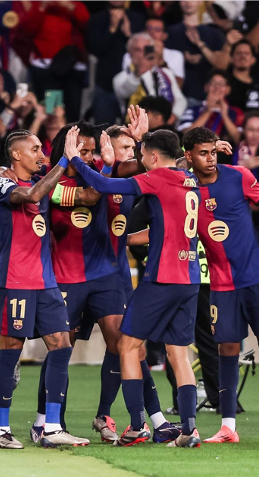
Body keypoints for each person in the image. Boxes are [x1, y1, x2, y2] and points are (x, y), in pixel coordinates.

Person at [68, 129, 203, 448]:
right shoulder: (190, 180)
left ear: (154, 157)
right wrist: (125, 239)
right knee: (179, 355)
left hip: (162, 279)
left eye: (142, 154)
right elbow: (163, 227)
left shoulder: (158, 178)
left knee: (127, 346)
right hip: (190, 278)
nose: (140, 160)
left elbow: (104, 185)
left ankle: (138, 425)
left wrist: (75, 159)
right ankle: (188, 430)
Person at [177, 127, 259, 444]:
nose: (211, 159)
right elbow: (166, 168)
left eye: (213, 152)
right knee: (227, 349)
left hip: (256, 276)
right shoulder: (185, 187)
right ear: (189, 155)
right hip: (221, 283)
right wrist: (188, 161)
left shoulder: (238, 176)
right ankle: (228, 427)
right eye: (203, 153)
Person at [0, 128, 80, 449]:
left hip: (45, 282)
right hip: (15, 280)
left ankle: (51, 428)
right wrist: (64, 160)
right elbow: (29, 196)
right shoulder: (3, 183)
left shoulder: (42, 182)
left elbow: (57, 189)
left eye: (43, 148)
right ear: (16, 154)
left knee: (62, 346)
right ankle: (2, 431)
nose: (42, 154)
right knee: (11, 352)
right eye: (35, 149)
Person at [16, 0, 89, 122]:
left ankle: (72, 134)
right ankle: (52, 134)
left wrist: (69, 6)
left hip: (72, 68)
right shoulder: (38, 4)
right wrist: (42, 7)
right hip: (47, 71)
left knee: (72, 115)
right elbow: (26, 30)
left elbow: (88, 26)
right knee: (51, 113)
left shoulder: (76, 4)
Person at [87, 0, 145, 124]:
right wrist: (112, 29)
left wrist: (128, 35)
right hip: (105, 85)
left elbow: (142, 51)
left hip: (132, 86)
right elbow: (94, 49)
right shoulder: (97, 19)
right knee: (103, 129)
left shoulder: (137, 18)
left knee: (134, 129)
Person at [113, 33, 186, 123]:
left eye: (147, 49)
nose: (142, 53)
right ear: (130, 53)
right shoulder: (121, 78)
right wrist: (138, 73)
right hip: (134, 127)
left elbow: (180, 100)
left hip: (165, 126)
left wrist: (172, 117)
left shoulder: (165, 73)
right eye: (137, 50)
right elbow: (124, 92)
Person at [164, 0, 228, 101]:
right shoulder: (171, 32)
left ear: (201, 2)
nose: (188, 2)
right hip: (177, 95)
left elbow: (222, 65)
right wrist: (182, 58)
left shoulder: (214, 33)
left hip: (206, 95)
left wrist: (200, 44)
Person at [177, 70, 243, 152]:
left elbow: (239, 140)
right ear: (206, 87)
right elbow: (186, 136)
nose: (217, 87)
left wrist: (225, 116)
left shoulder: (236, 112)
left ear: (228, 89)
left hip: (225, 156)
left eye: (221, 84)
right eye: (213, 83)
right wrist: (208, 111)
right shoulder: (192, 109)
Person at [122, 17, 185, 87]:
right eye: (149, 28)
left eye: (157, 29)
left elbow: (178, 86)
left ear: (164, 35)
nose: (152, 32)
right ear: (144, 32)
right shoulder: (130, 55)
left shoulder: (175, 55)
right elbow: (126, 86)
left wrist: (161, 61)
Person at [227, 39, 257, 112]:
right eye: (238, 53)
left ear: (253, 60)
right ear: (231, 59)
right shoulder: (225, 83)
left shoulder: (258, 86)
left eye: (246, 53)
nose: (242, 56)